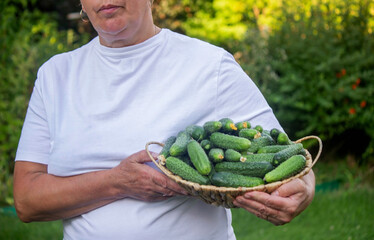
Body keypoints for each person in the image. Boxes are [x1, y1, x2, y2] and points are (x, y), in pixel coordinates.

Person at [13, 0, 315, 239]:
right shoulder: (55, 76)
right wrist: (117, 184)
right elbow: (27, 200)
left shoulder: (210, 66)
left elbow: (287, 155)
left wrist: (304, 189)